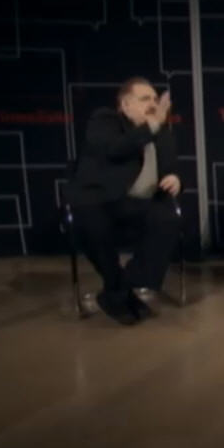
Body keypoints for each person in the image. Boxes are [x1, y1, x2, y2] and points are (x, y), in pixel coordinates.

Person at [68, 77, 182, 325]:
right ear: (125, 105)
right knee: (93, 223)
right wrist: (151, 127)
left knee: (167, 218)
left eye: (155, 99)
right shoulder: (105, 121)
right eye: (145, 99)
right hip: (99, 200)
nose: (153, 104)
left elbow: (171, 165)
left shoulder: (161, 132)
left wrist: (174, 177)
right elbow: (115, 149)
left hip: (137, 204)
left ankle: (120, 286)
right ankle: (120, 292)